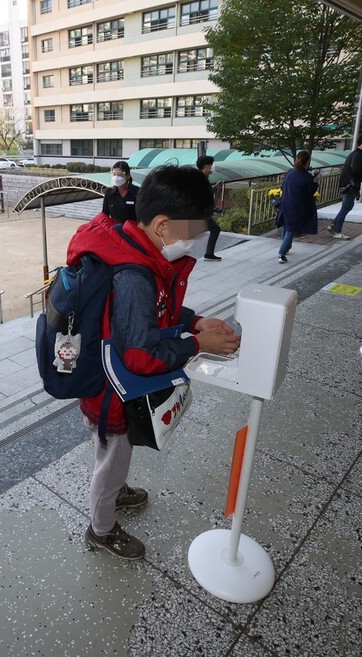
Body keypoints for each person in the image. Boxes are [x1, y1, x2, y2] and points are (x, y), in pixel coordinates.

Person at [67, 165, 241, 560]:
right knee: (111, 460)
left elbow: (154, 314)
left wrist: (194, 321)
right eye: (195, 230)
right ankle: (101, 527)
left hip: (114, 385)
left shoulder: (137, 246)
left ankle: (116, 491)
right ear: (163, 225)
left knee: (115, 458)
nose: (198, 239)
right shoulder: (134, 275)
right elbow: (141, 357)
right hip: (112, 394)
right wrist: (197, 344)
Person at [327, 135, 362, 239]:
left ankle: (333, 225)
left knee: (346, 207)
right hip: (350, 186)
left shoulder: (353, 154)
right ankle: (337, 230)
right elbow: (356, 171)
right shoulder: (358, 155)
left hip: (346, 185)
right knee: (346, 208)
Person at [276, 150, 320, 263]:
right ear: (307, 162)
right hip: (298, 206)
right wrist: (315, 180)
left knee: (287, 226)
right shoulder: (306, 176)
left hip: (285, 203)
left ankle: (286, 248)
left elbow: (283, 186)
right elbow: (311, 191)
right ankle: (282, 253)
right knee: (291, 229)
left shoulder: (290, 172)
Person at [196, 155, 223, 261]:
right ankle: (209, 253)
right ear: (206, 166)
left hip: (203, 211)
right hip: (201, 212)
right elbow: (202, 195)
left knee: (215, 229)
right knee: (215, 229)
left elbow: (205, 193)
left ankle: (209, 253)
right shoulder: (200, 179)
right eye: (211, 165)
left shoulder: (202, 178)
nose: (212, 167)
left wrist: (215, 187)